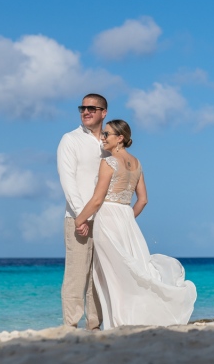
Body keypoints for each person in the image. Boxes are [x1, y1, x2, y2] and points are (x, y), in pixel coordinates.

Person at [74, 120, 196, 328]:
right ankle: (136, 317)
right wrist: (128, 218)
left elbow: (97, 200)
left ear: (120, 138)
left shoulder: (109, 162)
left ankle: (119, 322)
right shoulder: (137, 163)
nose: (103, 138)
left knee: (113, 274)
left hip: (108, 218)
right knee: (133, 268)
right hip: (126, 219)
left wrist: (80, 219)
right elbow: (143, 200)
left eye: (107, 134)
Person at [56, 93, 108, 330]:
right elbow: (68, 182)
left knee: (100, 275)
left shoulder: (110, 142)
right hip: (78, 218)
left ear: (103, 113)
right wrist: (81, 216)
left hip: (106, 219)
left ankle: (95, 325)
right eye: (82, 108)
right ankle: (71, 325)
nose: (85, 111)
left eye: (92, 108)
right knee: (76, 274)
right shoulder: (70, 139)